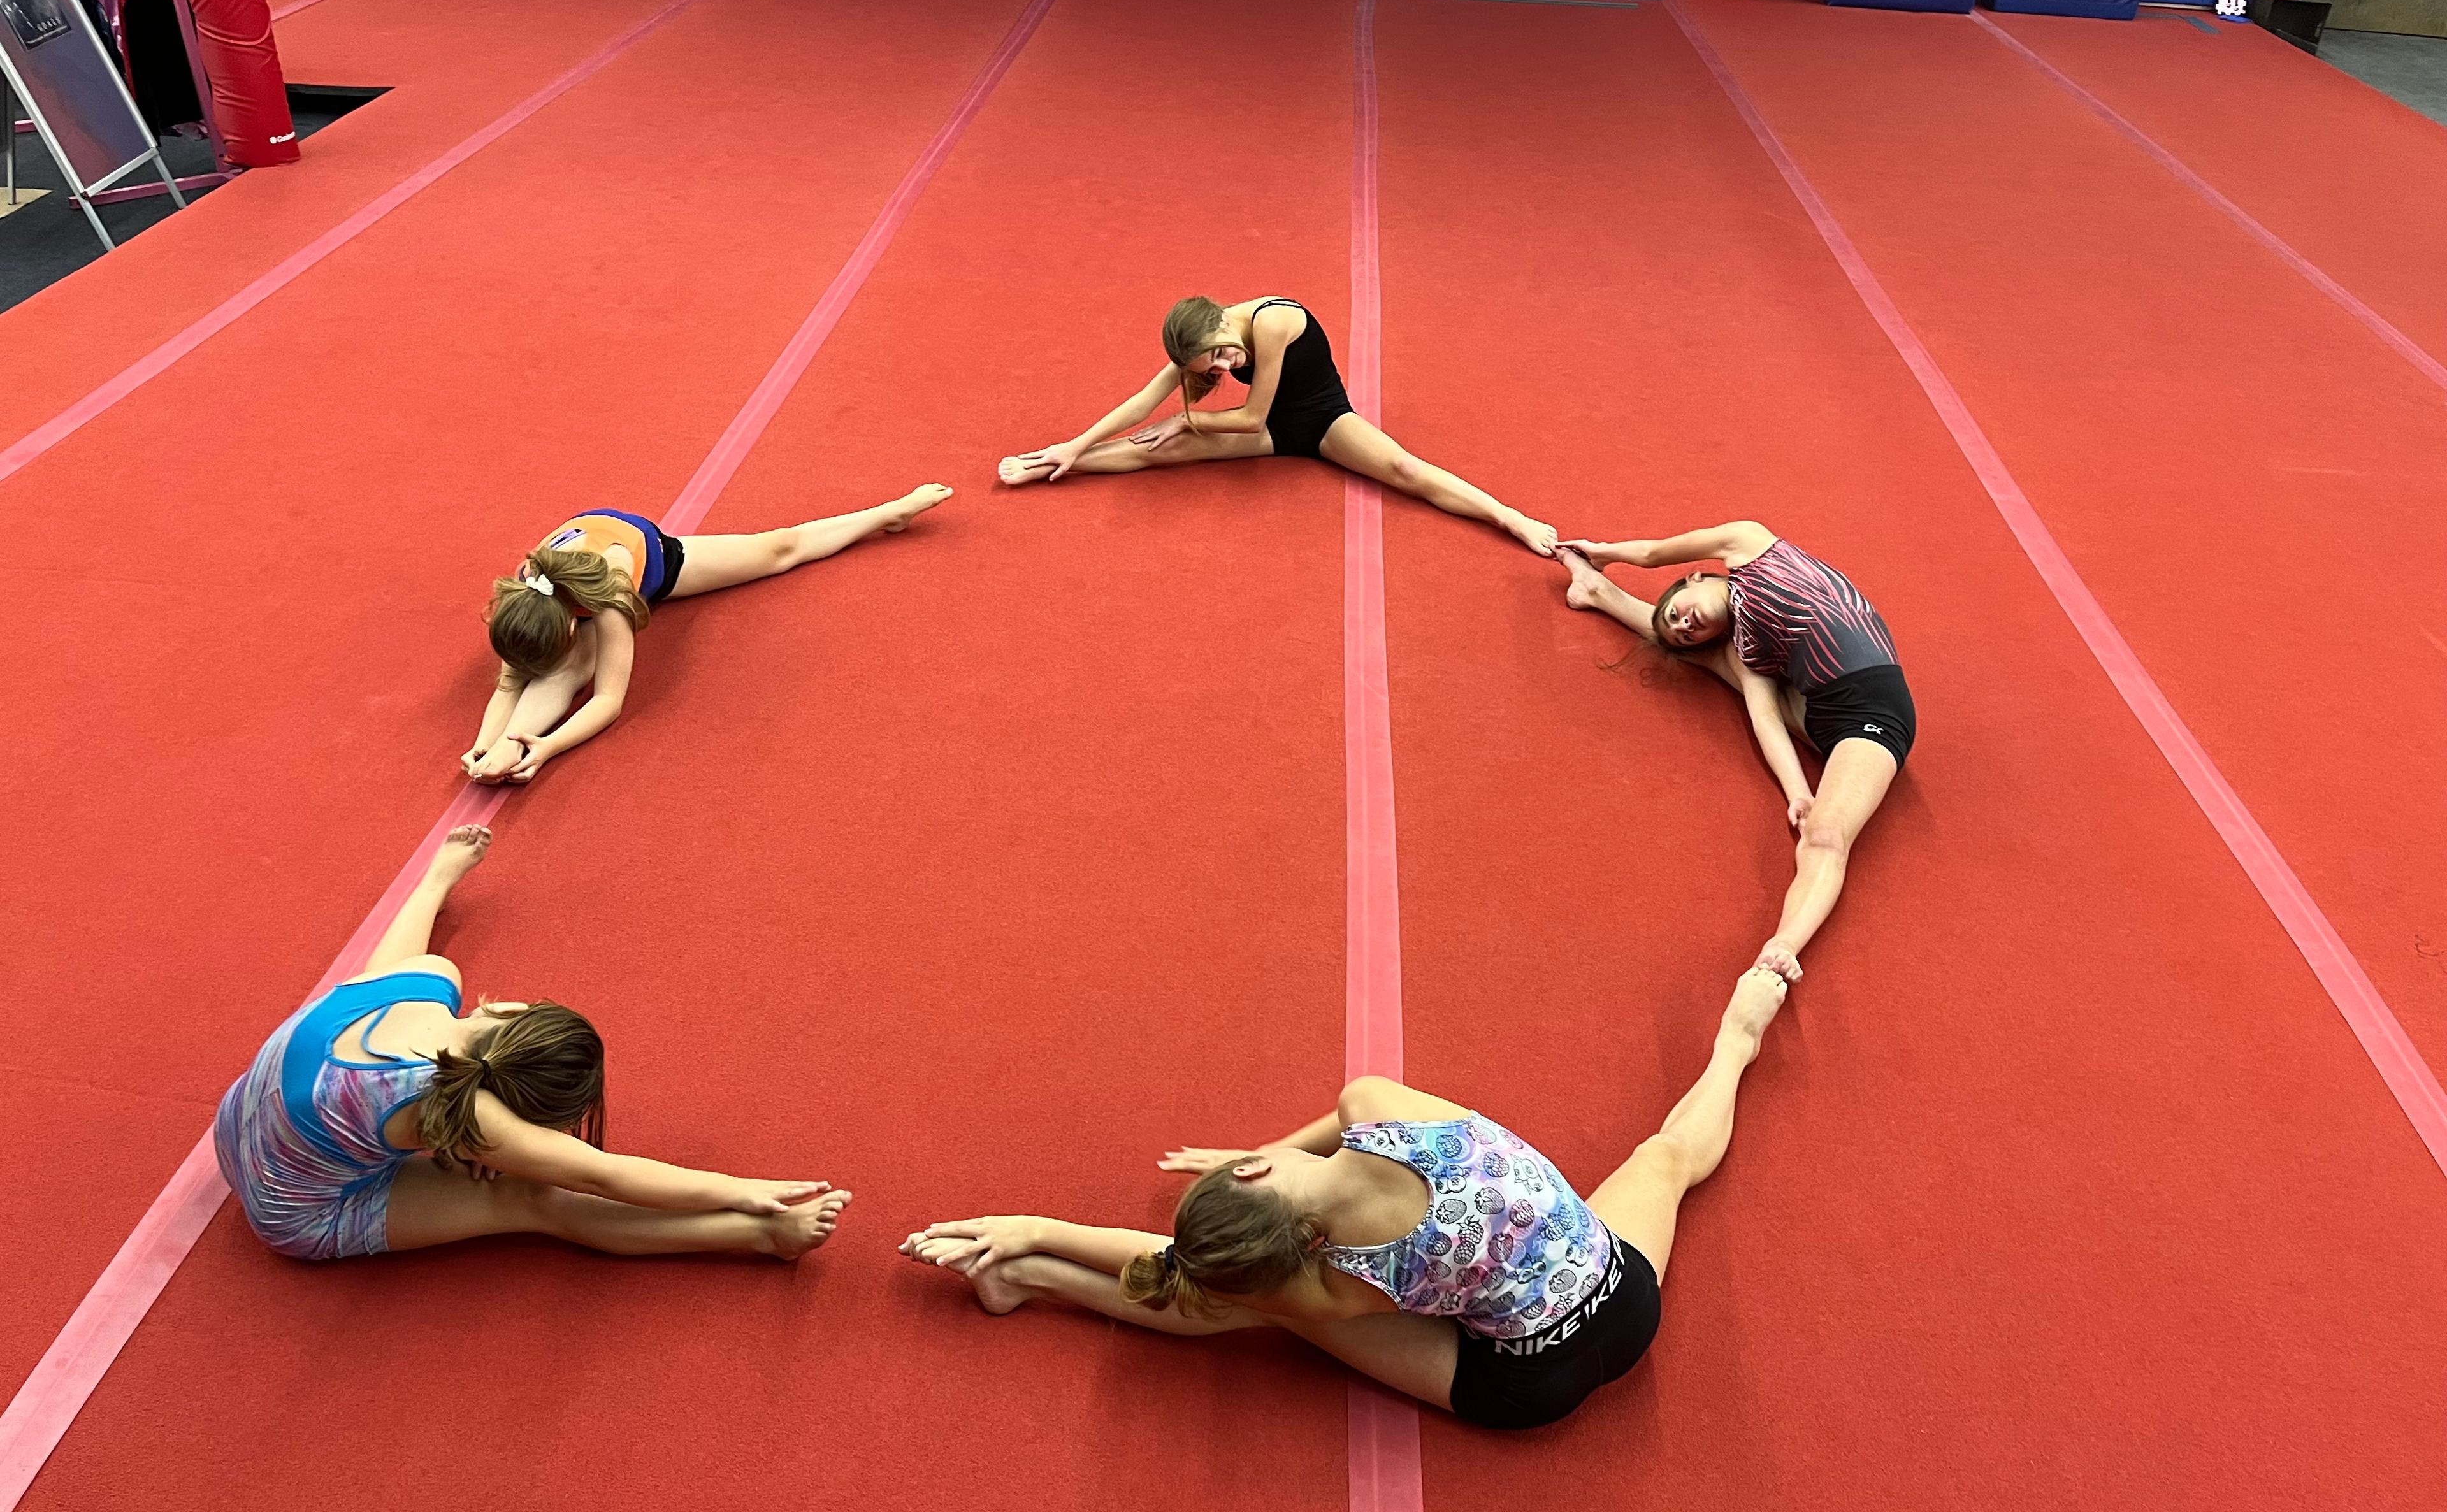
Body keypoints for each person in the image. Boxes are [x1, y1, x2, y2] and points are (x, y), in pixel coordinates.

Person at [901, 969, 1788, 1431]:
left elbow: (1192, 1282)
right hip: (1624, 1301)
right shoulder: (1378, 1106)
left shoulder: (1345, 1283)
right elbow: (1336, 1131)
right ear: (1256, 1177)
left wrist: (1040, 1225)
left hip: (1527, 1387)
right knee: (1666, 1157)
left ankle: (1029, 1279)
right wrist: (1260, 1155)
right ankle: (1738, 1043)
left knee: (1254, 1317)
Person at [214, 825, 850, 1262]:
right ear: (513, 1111)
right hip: (292, 1208)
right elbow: (605, 1176)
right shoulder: (466, 1114)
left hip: (236, 1124)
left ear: (510, 1009)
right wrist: (745, 1190)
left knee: (430, 1024)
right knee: (535, 1198)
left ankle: (756, 1231)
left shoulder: (426, 985)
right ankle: (759, 1239)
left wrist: (438, 879)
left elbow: (396, 947)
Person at [1556, 521, 1913, 981]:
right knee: (1821, 829)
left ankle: (1599, 587)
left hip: (1875, 713)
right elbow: (1764, 718)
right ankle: (1783, 948)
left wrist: (1600, 551)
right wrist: (1799, 792)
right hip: (1820, 717)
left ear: (1694, 577)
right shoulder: (1749, 654)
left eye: (1679, 613)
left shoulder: (1748, 543)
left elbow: (1650, 552)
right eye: (1683, 630)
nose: (1685, 623)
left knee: (1828, 834)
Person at [995, 295, 1557, 556]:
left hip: (1323, 422)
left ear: (1220, 319)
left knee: (1405, 468)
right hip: (1261, 430)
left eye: (1218, 355)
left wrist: (1190, 419)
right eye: (1206, 369)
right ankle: (1054, 465)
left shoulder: (1273, 321)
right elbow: (1144, 401)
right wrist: (1072, 444)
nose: (1219, 368)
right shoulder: (1201, 343)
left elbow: (1251, 417)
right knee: (1150, 448)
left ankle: (1511, 518)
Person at [464, 487, 951, 784]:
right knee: (560, 668)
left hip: (649, 557)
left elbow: (609, 700)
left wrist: (549, 747)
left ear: (573, 623)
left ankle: (889, 512)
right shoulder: (523, 591)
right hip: (578, 571)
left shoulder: (610, 598)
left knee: (781, 548)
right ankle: (507, 748)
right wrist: (484, 742)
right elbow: (510, 679)